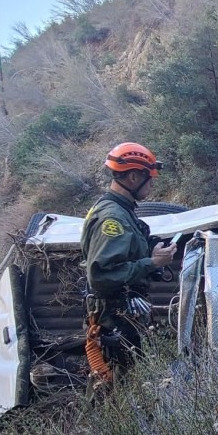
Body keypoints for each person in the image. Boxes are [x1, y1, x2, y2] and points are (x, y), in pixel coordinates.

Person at [81, 142, 176, 386]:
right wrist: (152, 263)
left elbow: (124, 255)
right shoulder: (112, 218)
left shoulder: (117, 210)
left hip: (121, 313)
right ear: (134, 177)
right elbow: (101, 275)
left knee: (123, 379)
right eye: (149, 178)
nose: (152, 185)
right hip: (115, 316)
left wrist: (149, 252)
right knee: (120, 385)